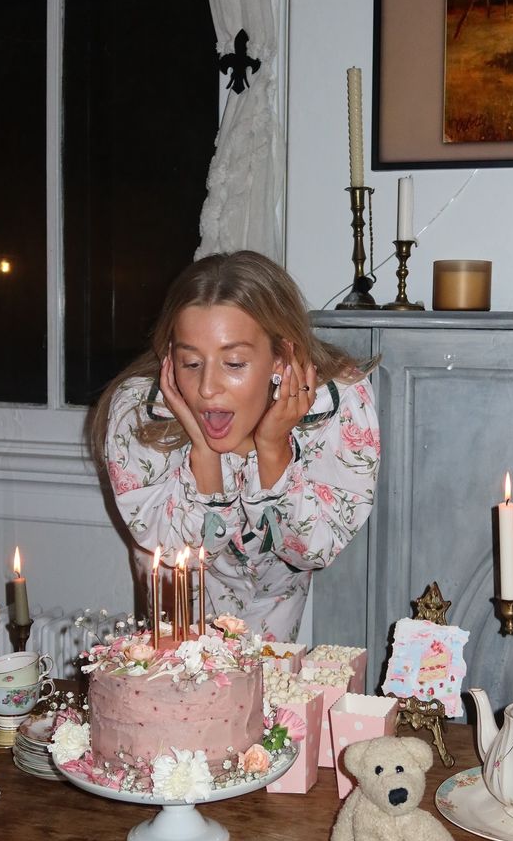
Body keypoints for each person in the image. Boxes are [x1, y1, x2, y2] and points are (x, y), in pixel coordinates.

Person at [91, 251, 380, 641]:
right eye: (191, 363)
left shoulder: (339, 403)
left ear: (281, 357)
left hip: (275, 613)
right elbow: (175, 556)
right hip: (176, 618)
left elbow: (312, 549)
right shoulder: (140, 412)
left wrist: (272, 448)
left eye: (235, 364)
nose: (208, 388)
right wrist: (205, 456)